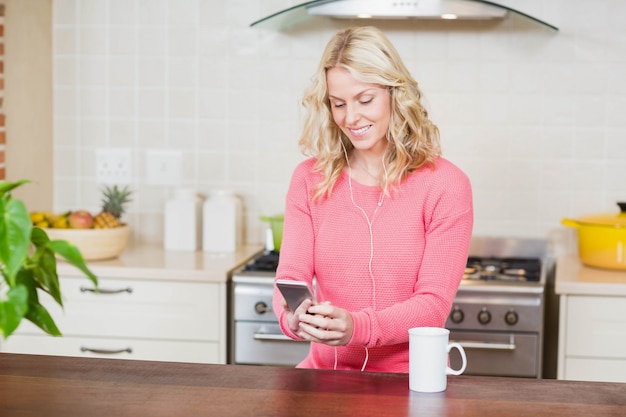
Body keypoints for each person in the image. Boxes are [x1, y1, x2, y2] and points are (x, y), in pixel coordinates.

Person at [273, 26, 473, 373]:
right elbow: (291, 276)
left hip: (412, 379)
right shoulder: (309, 179)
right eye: (339, 104)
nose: (351, 118)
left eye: (365, 100)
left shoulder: (446, 185)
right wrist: (293, 319)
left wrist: (357, 328)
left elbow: (432, 306)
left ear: (395, 94)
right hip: (326, 376)